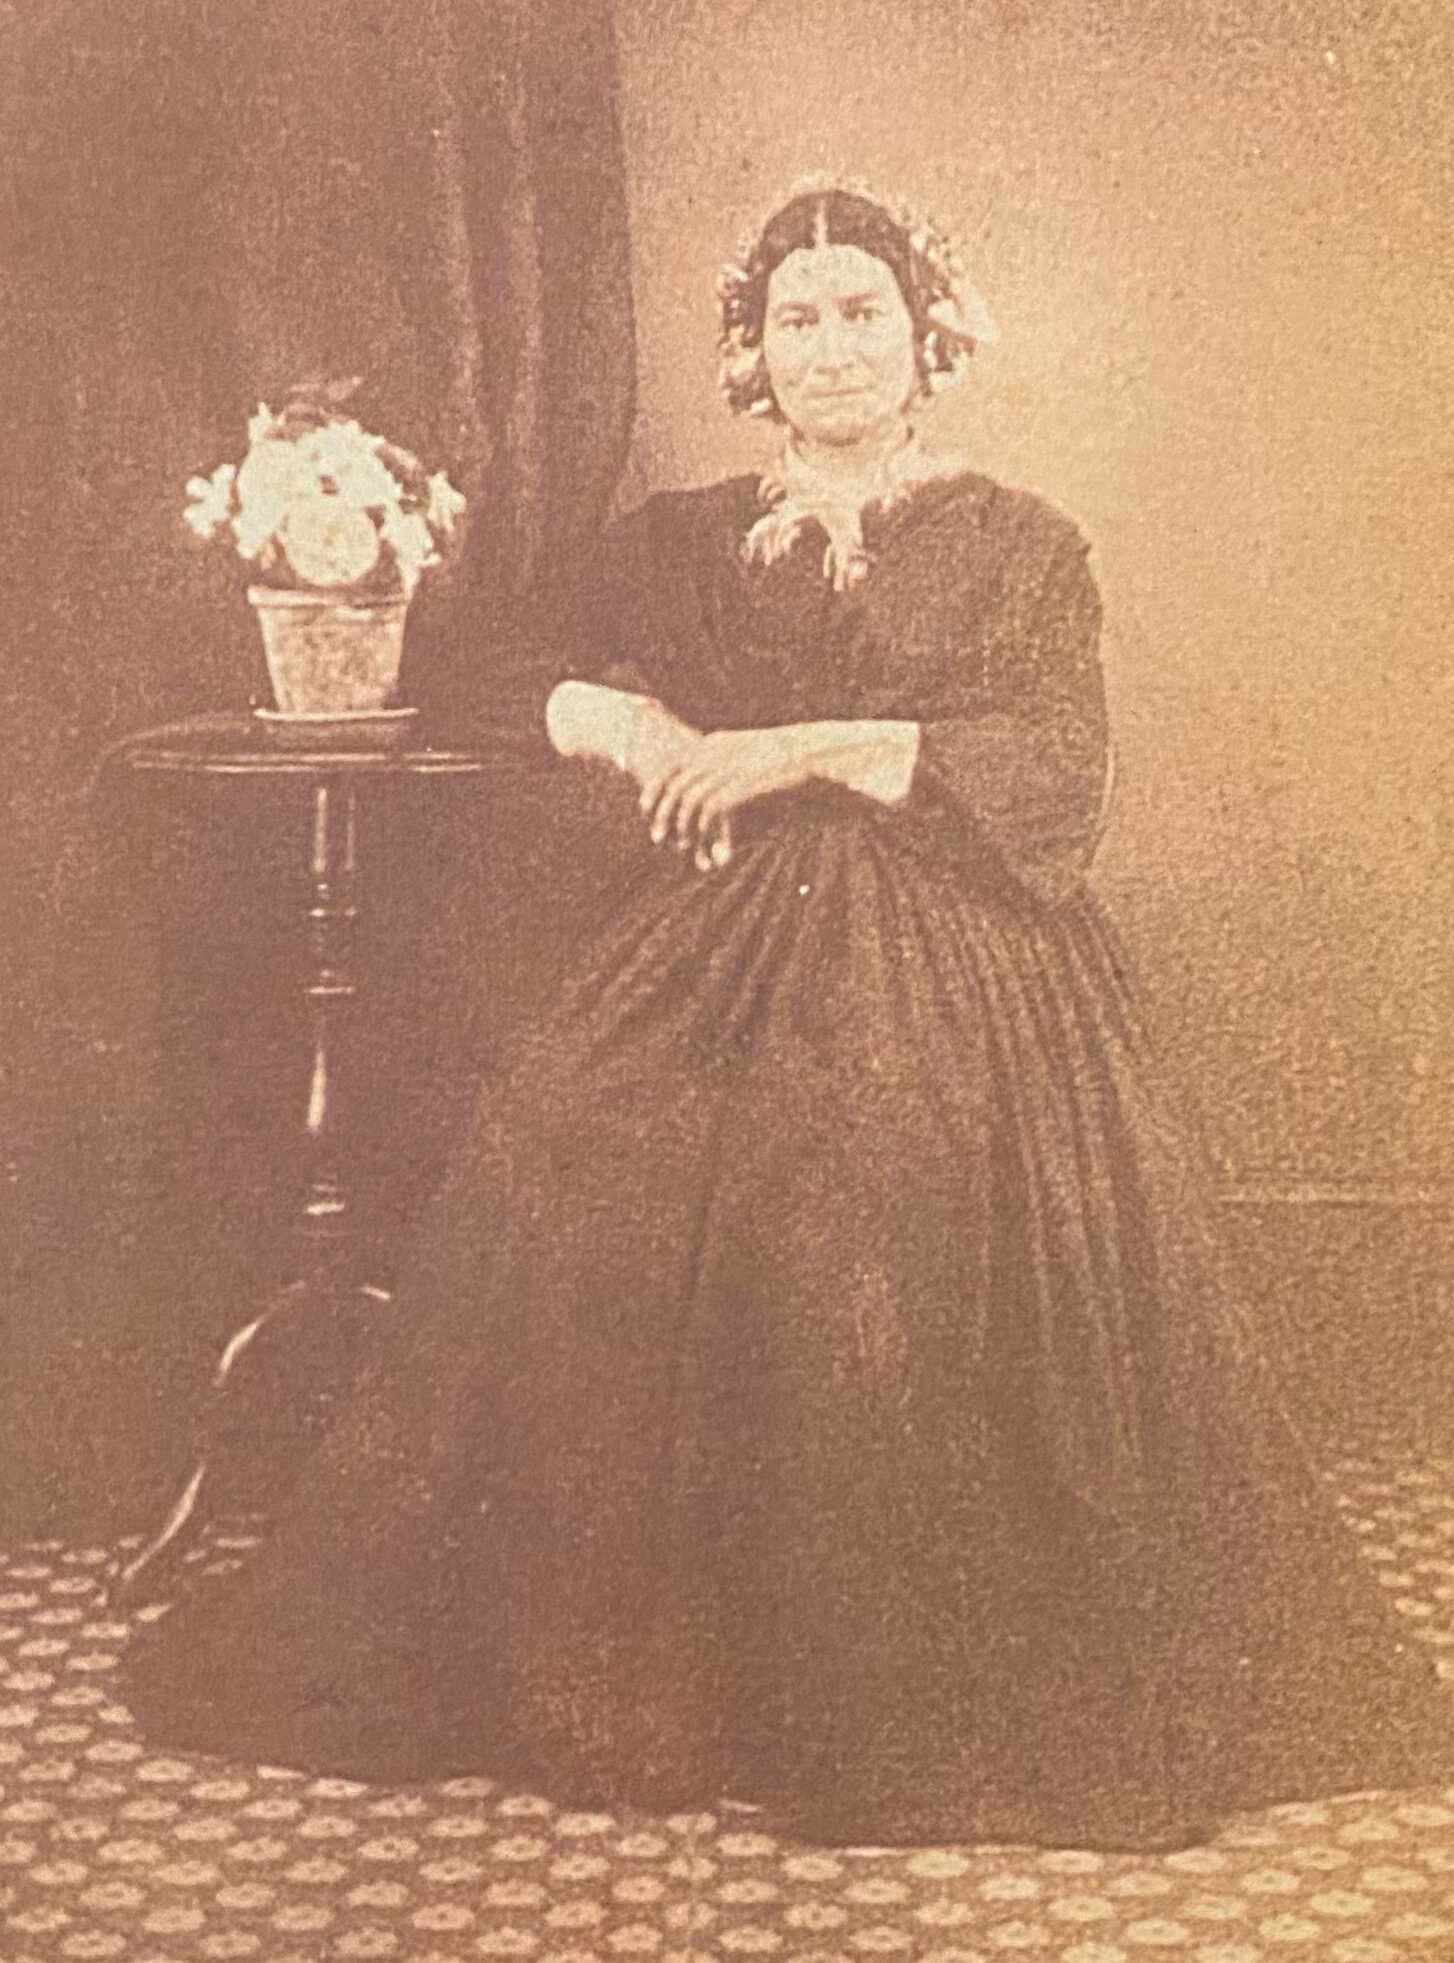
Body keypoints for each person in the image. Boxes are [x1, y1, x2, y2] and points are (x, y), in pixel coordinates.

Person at [122, 184, 1454, 1851]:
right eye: (795, 319)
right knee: (574, 1150)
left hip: (959, 961)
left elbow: (1055, 768)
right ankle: (675, 1659)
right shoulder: (680, 542)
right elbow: (490, 673)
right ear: (750, 354)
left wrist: (795, 748)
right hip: (712, 950)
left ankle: (880, 1679)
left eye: (861, 314)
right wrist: (633, 726)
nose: (830, 349)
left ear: (926, 338)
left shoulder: (1022, 546)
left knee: (873, 1176)